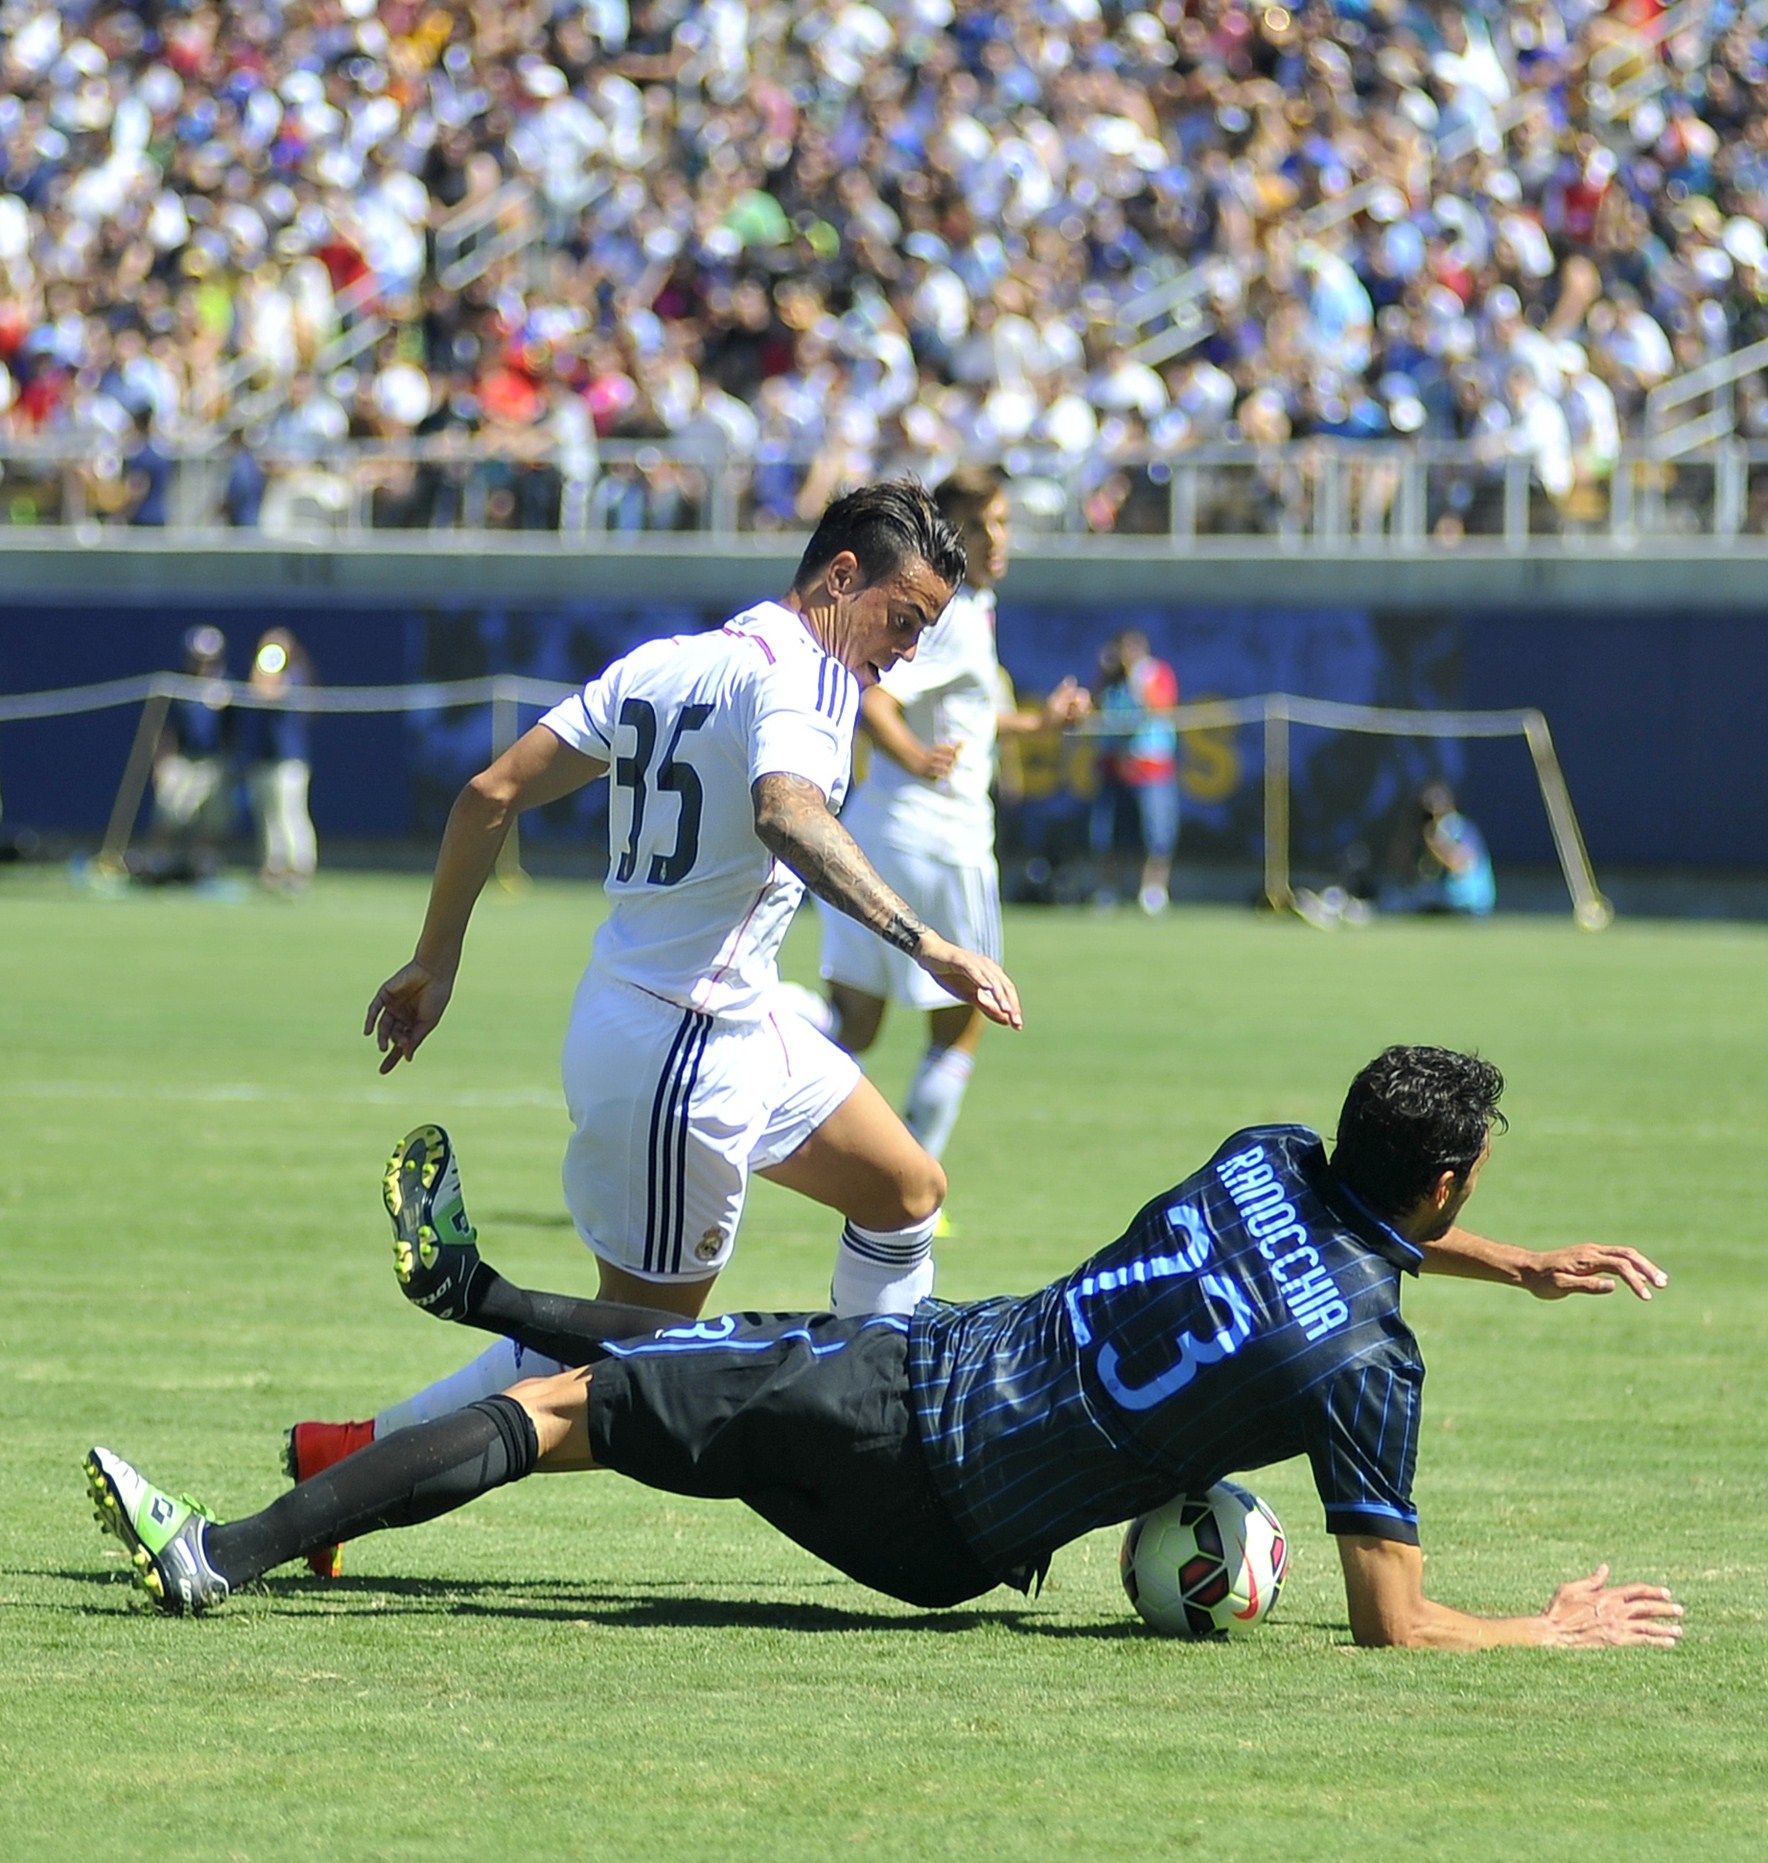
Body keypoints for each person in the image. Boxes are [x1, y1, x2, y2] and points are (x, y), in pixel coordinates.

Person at [85, 1046, 1682, 1649]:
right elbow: (1392, 1615)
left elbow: (1333, 1223)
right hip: (957, 1521)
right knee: (663, 1368)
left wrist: (1490, 1252)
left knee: (580, 1409)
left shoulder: (1260, 1150)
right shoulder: (1371, 1362)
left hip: (925, 1400)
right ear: (1451, 1186)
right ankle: (480, 1293)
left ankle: (218, 1553)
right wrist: (1542, 1623)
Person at [287, 481, 1020, 1572]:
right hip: (684, 1047)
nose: (907, 652)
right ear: (841, 578)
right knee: (630, 1369)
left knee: (905, 1192)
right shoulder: (809, 680)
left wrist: (435, 960)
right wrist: (930, 945)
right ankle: (349, 1463)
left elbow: (488, 793)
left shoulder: (668, 662)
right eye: (904, 619)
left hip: (729, 1017)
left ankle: (891, 1441)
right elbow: (786, 811)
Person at [792, 467, 1090, 1180]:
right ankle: (916, 1185)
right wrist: (917, 756)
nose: (998, 538)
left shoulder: (961, 611)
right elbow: (881, 701)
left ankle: (764, 1024)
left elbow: (961, 714)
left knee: (853, 1024)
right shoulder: (949, 614)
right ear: (951, 533)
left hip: (872, 832)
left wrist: (1037, 722)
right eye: (984, 524)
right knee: (961, 1026)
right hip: (943, 839)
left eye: (1004, 522)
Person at [1090, 629, 1181, 914]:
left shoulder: (1155, 673)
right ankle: (1107, 890)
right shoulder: (1110, 678)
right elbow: (1096, 707)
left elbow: (1159, 706)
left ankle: (1153, 890)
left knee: (1156, 833)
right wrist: (1105, 674)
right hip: (1114, 767)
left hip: (1151, 769)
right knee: (1106, 834)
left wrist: (1136, 679)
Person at [145, 625, 234, 882]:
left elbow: (231, 730)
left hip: (213, 762)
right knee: (170, 813)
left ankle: (203, 868)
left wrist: (229, 760)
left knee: (212, 819)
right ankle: (159, 864)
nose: (203, 665)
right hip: (182, 759)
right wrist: (161, 761)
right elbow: (166, 729)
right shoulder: (178, 685)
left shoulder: (225, 687)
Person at [237, 629, 318, 893]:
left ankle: (300, 868)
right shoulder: (263, 671)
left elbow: (269, 691)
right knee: (268, 817)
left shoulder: (294, 676)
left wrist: (265, 670)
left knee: (291, 814)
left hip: (289, 761)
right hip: (264, 759)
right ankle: (275, 867)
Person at [1384, 782, 1497, 917]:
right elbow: (1399, 865)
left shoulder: (1461, 827)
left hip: (1467, 902)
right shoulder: (1429, 830)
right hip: (1442, 898)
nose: (1434, 807)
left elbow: (1459, 864)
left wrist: (1436, 845)